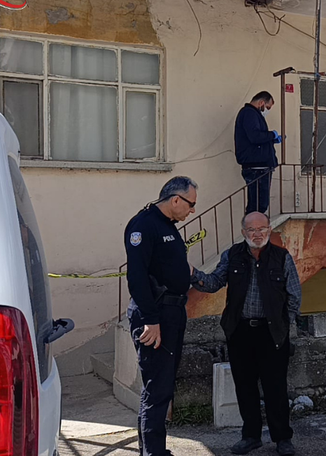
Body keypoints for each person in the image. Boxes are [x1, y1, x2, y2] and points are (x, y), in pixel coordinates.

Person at [190, 212, 301, 456]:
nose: (257, 233)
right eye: (251, 229)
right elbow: (214, 282)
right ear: (243, 232)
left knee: (276, 389)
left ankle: (282, 438)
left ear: (269, 230)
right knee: (245, 387)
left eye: (262, 228)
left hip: (272, 333)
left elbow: (294, 295)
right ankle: (251, 436)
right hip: (240, 332)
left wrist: (285, 326)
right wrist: (192, 273)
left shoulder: (281, 257)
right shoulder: (232, 255)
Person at [125, 176, 199, 456]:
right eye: (190, 204)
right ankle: (153, 452)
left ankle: (154, 449)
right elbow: (137, 277)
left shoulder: (166, 225)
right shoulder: (144, 225)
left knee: (162, 385)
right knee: (157, 389)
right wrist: (151, 320)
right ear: (176, 199)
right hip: (156, 314)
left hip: (172, 312)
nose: (191, 211)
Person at [234, 91, 281, 215]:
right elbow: (255, 136)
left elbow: (256, 138)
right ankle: (253, 228)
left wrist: (272, 140)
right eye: (268, 107)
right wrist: (271, 135)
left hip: (259, 165)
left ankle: (254, 227)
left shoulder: (251, 114)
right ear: (261, 103)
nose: (267, 110)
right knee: (258, 205)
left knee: (259, 204)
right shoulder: (249, 113)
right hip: (257, 167)